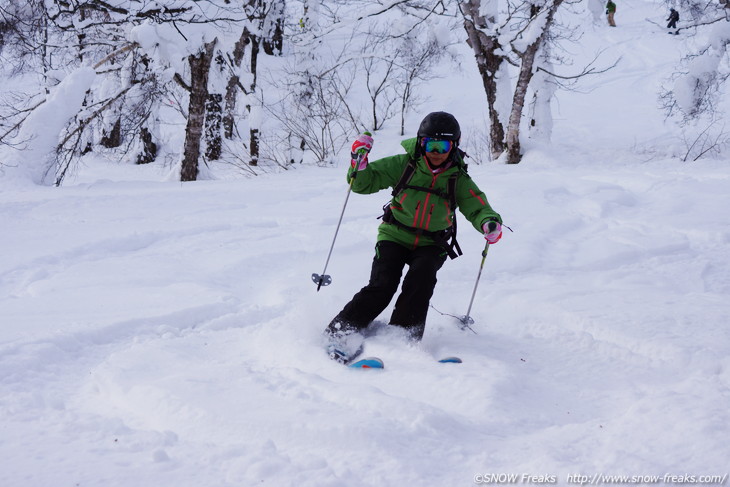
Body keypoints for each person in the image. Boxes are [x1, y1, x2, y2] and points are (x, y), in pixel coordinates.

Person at [323, 112, 503, 363]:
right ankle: (341, 332)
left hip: (432, 242)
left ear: (455, 146)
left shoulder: (458, 178)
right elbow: (363, 184)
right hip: (394, 234)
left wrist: (488, 222)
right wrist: (359, 164)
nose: (436, 151)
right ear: (421, 143)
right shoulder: (404, 164)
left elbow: (477, 206)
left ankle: (401, 337)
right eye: (431, 144)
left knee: (421, 280)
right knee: (382, 284)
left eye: (443, 145)